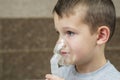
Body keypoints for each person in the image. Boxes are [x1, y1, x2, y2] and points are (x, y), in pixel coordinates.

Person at [45, 0, 120, 80]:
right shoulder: (61, 73)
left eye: (70, 33)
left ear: (101, 36)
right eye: (58, 33)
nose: (59, 43)